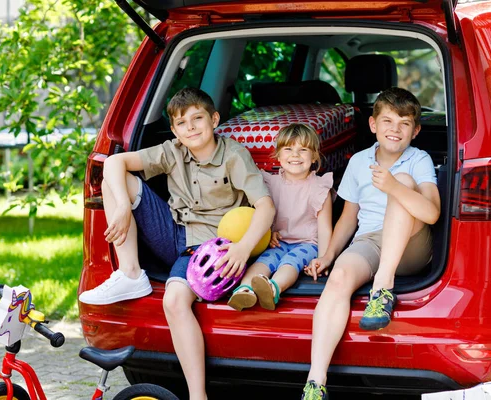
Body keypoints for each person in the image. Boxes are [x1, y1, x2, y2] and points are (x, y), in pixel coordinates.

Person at [78, 87, 275, 400]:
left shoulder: (234, 156)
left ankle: (198, 395)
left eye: (198, 119)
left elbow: (265, 206)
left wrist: (242, 248)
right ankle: (130, 274)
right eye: (183, 123)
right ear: (174, 130)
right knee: (115, 177)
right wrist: (123, 209)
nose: (192, 128)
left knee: (173, 301)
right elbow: (115, 162)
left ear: (214, 119)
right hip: (172, 233)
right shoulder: (173, 151)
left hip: (210, 249)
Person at [300, 87, 440, 399]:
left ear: (415, 131)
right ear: (373, 125)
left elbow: (431, 213)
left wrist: (393, 186)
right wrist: (328, 255)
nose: (395, 129)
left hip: (410, 245)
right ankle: (315, 381)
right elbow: (349, 218)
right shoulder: (359, 161)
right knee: (339, 279)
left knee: (403, 183)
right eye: (388, 121)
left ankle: (382, 287)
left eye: (404, 124)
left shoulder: (418, 159)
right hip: (370, 241)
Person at [227, 123, 333, 312]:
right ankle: (245, 289)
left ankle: (274, 287)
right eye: (288, 149)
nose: (295, 155)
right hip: (279, 241)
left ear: (315, 156)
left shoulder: (319, 188)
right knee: (264, 261)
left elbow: (325, 228)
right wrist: (269, 234)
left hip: (307, 243)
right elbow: (260, 215)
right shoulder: (270, 183)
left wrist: (323, 259)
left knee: (290, 262)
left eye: (303, 150)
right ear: (277, 155)